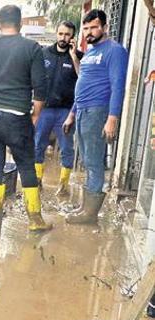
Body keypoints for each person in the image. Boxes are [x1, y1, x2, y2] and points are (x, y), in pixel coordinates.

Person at [0, 5, 51, 232]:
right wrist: (36, 115)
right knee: (26, 166)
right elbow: (40, 88)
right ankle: (35, 219)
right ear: (20, 24)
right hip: (17, 116)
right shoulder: (32, 48)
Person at [62, 9, 129, 224]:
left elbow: (118, 86)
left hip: (98, 111)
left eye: (94, 27)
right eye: (86, 29)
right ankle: (85, 207)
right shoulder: (90, 52)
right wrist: (72, 113)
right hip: (82, 111)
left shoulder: (114, 51)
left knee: (93, 161)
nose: (89, 32)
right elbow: (84, 85)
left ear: (105, 27)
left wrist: (112, 118)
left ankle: (89, 214)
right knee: (87, 159)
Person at [34, 21, 83, 196]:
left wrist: (74, 56)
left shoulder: (78, 56)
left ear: (73, 37)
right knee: (37, 145)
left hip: (66, 112)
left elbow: (83, 79)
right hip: (45, 109)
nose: (63, 38)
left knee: (67, 148)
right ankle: (37, 181)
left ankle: (63, 186)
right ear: (56, 34)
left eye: (67, 34)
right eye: (61, 34)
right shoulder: (43, 53)